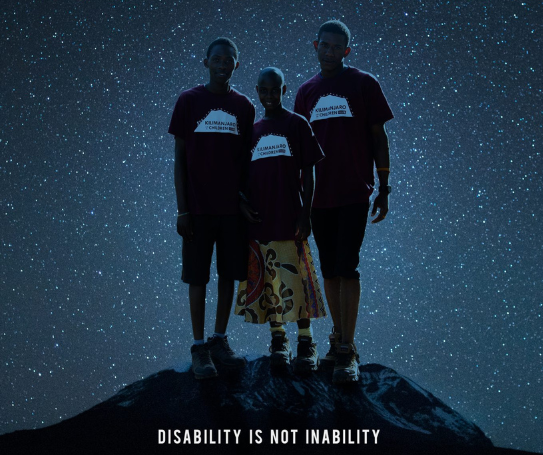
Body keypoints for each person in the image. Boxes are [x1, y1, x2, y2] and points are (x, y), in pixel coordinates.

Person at [294, 20, 394, 384]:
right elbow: (300, 152)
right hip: (318, 197)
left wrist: (384, 187)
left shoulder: (364, 84)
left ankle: (348, 349)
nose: (330, 51)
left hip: (354, 191)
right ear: (315, 45)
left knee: (347, 266)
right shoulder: (305, 92)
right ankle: (337, 339)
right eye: (325, 45)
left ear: (347, 51)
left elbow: (378, 136)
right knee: (329, 270)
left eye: (338, 47)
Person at [168, 37, 255, 380]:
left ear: (237, 64)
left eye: (228, 60)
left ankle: (220, 338)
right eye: (216, 59)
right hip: (198, 208)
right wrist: (182, 209)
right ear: (205, 62)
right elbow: (179, 158)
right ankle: (199, 344)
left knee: (228, 275)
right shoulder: (189, 101)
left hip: (232, 209)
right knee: (197, 276)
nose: (222, 64)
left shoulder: (244, 107)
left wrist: (246, 198)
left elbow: (248, 160)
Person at [235, 67, 326, 373]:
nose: (270, 95)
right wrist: (241, 203)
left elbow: (310, 172)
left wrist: (306, 213)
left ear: (284, 90)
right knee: (271, 280)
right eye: (264, 90)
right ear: (257, 91)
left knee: (296, 279)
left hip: (289, 216)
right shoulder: (252, 131)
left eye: (276, 90)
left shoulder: (297, 124)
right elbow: (239, 177)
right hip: (260, 220)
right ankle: (278, 340)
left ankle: (305, 341)